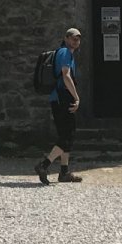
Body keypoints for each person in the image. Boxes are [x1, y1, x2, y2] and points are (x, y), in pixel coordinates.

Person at [35, 27, 83, 185]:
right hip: (63, 99)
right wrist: (76, 97)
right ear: (66, 38)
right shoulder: (65, 53)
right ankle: (44, 165)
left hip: (59, 98)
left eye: (78, 38)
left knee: (67, 134)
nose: (76, 41)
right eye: (73, 38)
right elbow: (66, 75)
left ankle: (64, 172)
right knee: (66, 136)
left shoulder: (64, 52)